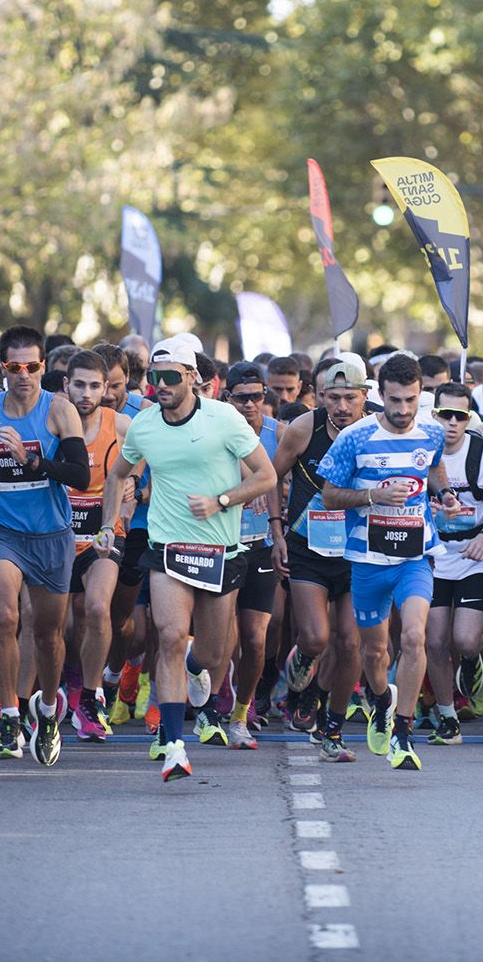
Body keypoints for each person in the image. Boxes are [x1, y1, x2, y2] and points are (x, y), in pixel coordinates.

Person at [98, 333, 277, 782]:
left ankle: (199, 671)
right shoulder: (144, 425)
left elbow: (267, 476)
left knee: (213, 654)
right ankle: (175, 744)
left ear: (193, 378)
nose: (160, 385)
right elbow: (117, 473)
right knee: (172, 637)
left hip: (221, 551)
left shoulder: (225, 419)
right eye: (154, 377)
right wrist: (108, 523)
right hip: (168, 548)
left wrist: (222, 499)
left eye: (170, 377)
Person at [0, 326, 89, 766]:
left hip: (50, 535)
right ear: (1, 369)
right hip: (0, 530)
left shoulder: (60, 410)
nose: (23, 374)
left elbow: (80, 476)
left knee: (48, 635)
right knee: (2, 616)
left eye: (31, 366)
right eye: (14, 366)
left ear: (43, 367)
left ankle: (46, 711)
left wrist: (31, 461)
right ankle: (8, 714)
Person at [316, 354, 463, 771]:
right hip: (366, 558)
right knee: (374, 653)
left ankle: (403, 733)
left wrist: (446, 496)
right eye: (395, 401)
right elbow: (329, 495)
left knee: (414, 637)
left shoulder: (433, 431)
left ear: (421, 396)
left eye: (411, 400)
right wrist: (372, 497)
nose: (402, 410)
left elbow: (435, 470)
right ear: (380, 396)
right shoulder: (355, 437)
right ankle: (381, 698)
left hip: (415, 556)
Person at [270, 355, 374, 762]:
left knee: (350, 643)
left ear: (365, 396)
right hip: (306, 544)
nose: (342, 407)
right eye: (333, 397)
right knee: (315, 637)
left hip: (358, 547)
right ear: (320, 396)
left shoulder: (376, 430)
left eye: (350, 397)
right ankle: (301, 677)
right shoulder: (304, 428)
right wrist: (276, 532)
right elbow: (272, 475)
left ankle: (331, 728)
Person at [56, 349, 134, 744]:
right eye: (79, 385)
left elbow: (136, 479)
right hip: (55, 534)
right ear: (65, 385)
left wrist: (129, 496)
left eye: (94, 386)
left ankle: (89, 697)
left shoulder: (121, 425)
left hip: (104, 531)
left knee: (99, 608)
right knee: (60, 623)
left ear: (107, 388)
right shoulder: (50, 421)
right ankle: (61, 687)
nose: (86, 394)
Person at [425, 383, 483, 745]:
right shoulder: (422, 448)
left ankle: (475, 665)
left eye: (460, 416)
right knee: (436, 641)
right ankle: (448, 719)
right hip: (434, 555)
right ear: (435, 415)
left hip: (474, 555)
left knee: (467, 640)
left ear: (469, 418)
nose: (452, 423)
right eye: (446, 415)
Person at [222, 360, 281, 750]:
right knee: (220, 643)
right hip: (222, 547)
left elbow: (297, 478)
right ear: (227, 398)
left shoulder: (281, 434)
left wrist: (280, 529)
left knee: (255, 640)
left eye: (256, 397)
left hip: (261, 546)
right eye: (241, 398)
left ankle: (241, 713)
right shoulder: (212, 430)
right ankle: (212, 703)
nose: (249, 405)